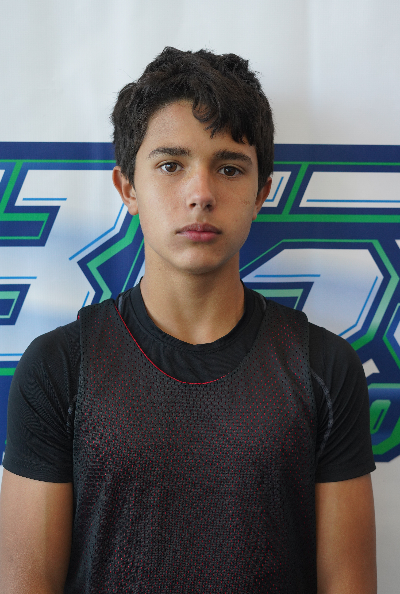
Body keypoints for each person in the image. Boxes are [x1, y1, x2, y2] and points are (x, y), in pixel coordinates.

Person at [0, 47, 376, 593]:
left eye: (229, 168)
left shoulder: (324, 368)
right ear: (128, 187)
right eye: (171, 165)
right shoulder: (59, 367)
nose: (200, 194)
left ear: (261, 193)